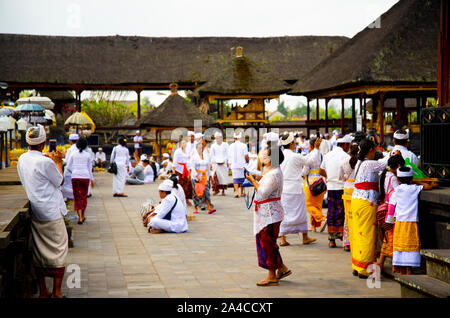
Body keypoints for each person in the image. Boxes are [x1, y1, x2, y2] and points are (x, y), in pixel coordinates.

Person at [17, 125, 68, 298]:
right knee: (58, 250)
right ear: (44, 143)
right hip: (51, 211)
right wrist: (58, 162)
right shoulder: (45, 161)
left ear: (27, 142)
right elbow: (59, 180)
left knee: (39, 252)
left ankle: (43, 291)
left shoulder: (22, 159)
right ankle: (57, 291)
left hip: (36, 209)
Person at [350, 138, 398, 278]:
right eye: (375, 149)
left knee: (358, 233)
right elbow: (386, 163)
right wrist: (395, 152)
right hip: (366, 202)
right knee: (367, 234)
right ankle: (365, 269)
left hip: (358, 201)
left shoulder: (360, 162)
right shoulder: (370, 164)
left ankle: (357, 266)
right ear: (371, 150)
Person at [245, 141, 291, 287]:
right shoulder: (273, 171)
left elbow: (264, 192)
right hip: (269, 212)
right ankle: (281, 268)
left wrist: (253, 180)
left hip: (270, 214)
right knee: (269, 242)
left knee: (267, 243)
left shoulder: (274, 173)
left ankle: (271, 275)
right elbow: (266, 184)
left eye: (267, 156)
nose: (264, 158)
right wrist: (258, 178)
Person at [389, 166, 433, 275]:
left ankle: (401, 268)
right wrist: (417, 182)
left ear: (398, 179)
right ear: (411, 178)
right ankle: (409, 268)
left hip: (399, 222)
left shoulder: (396, 190)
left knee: (401, 244)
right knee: (410, 243)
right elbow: (429, 186)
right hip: (411, 221)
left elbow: (391, 206)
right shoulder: (414, 188)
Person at [279, 132, 320, 246]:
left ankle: (282, 239)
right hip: (295, 188)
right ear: (291, 144)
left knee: (284, 213)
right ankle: (304, 237)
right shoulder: (295, 156)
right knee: (300, 213)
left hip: (284, 188)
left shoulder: (279, 155)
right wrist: (316, 149)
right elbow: (310, 161)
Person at [319, 135, 352, 248]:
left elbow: (321, 170)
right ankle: (345, 242)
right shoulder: (345, 156)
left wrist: (329, 177)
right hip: (342, 187)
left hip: (331, 187)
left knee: (331, 213)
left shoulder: (328, 155)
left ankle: (331, 240)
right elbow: (347, 173)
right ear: (345, 145)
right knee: (342, 213)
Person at [377, 154, 405, 271]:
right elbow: (399, 191)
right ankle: (395, 265)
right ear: (398, 166)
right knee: (393, 237)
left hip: (385, 206)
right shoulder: (393, 178)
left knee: (387, 238)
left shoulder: (385, 174)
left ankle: (381, 263)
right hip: (391, 211)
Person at [338, 141, 360, 251]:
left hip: (347, 189)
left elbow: (340, 177)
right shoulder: (361, 163)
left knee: (347, 217)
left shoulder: (344, 162)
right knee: (357, 216)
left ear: (349, 150)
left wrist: (347, 176)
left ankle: (347, 242)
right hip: (358, 189)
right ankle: (356, 241)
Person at [66, 137, 94, 224]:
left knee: (77, 196)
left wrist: (74, 171)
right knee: (83, 196)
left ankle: (80, 217)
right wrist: (92, 179)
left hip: (75, 177)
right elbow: (90, 168)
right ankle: (83, 215)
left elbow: (68, 167)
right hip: (85, 177)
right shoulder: (87, 155)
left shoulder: (73, 154)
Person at [303, 137, 327, 233]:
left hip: (311, 181)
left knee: (308, 204)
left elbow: (305, 170)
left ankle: (322, 218)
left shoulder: (309, 155)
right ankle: (314, 226)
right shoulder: (321, 155)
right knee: (317, 205)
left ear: (310, 145)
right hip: (321, 181)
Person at [190, 139, 216, 214]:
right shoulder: (194, 157)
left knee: (206, 191)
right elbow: (192, 167)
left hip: (205, 177)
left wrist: (210, 176)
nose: (201, 149)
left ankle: (209, 207)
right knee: (196, 192)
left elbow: (208, 167)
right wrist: (197, 176)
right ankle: (195, 207)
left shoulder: (206, 156)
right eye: (199, 148)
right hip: (196, 177)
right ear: (196, 148)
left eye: (202, 147)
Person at [228, 132, 249, 198]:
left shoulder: (231, 146)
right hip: (242, 164)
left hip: (234, 164)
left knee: (235, 178)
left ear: (234, 138)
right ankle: (242, 192)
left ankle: (236, 192)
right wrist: (247, 161)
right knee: (242, 178)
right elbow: (246, 155)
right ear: (240, 138)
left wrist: (229, 163)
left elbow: (229, 156)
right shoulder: (244, 145)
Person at [173, 139, 193, 206]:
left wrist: (190, 170)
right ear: (180, 144)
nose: (184, 144)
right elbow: (175, 162)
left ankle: (187, 199)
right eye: (183, 143)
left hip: (186, 169)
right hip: (179, 170)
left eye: (185, 143)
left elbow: (189, 161)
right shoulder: (177, 151)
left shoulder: (188, 151)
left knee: (187, 185)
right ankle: (179, 200)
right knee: (180, 185)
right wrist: (174, 172)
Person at [210, 131, 229, 196]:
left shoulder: (225, 145)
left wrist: (223, 160)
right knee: (216, 177)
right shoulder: (213, 146)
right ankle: (216, 190)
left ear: (222, 138)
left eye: (219, 138)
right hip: (216, 164)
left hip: (223, 164)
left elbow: (227, 154)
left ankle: (223, 191)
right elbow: (212, 155)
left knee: (223, 178)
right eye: (217, 138)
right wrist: (216, 161)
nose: (218, 139)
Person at [61, 133, 79, 201]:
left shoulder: (71, 149)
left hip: (69, 170)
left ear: (71, 141)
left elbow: (67, 161)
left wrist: (60, 159)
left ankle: (67, 198)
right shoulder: (79, 148)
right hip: (76, 170)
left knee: (66, 185)